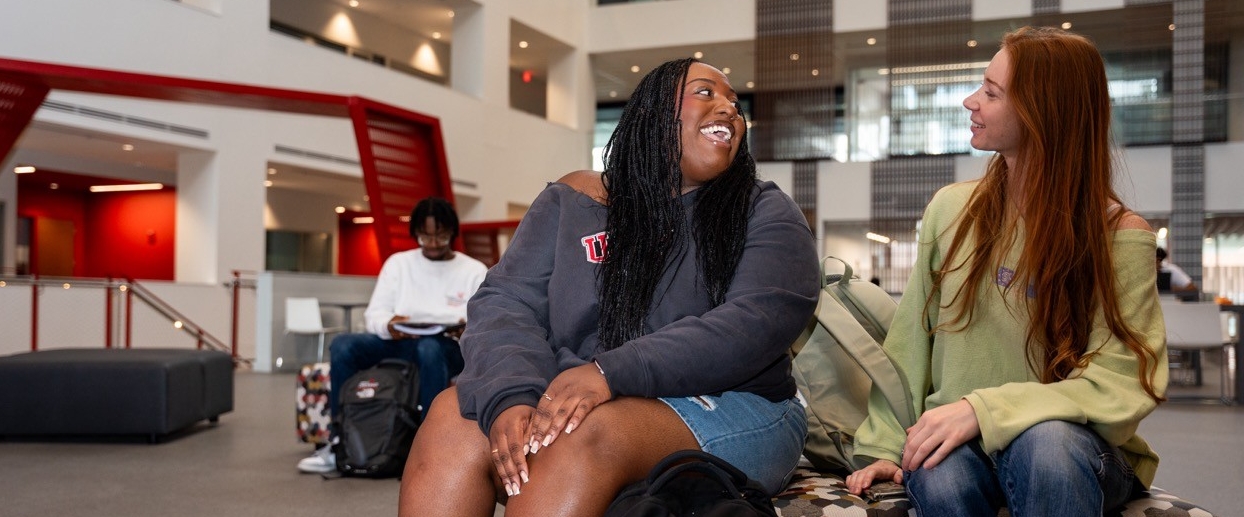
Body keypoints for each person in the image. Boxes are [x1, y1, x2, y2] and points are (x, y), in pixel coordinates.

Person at [397, 58, 819, 517]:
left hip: (737, 403)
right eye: (706, 92)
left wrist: (608, 373)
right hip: (586, 389)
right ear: (653, 112)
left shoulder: (765, 210)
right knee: (452, 418)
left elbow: (753, 323)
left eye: (735, 104)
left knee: (581, 431)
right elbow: (506, 302)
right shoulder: (572, 199)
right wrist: (511, 395)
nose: (729, 109)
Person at [844, 27, 1168, 516]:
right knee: (939, 472)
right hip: (960, 443)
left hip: (1073, 447)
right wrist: (885, 446)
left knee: (1046, 446)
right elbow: (910, 343)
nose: (970, 102)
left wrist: (984, 411)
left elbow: (1122, 382)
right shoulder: (950, 210)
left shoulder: (1118, 235)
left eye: (992, 93)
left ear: (1043, 113)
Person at [297, 196, 488, 474]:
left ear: (452, 233)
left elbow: (484, 321)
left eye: (441, 236)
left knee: (430, 348)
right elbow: (374, 314)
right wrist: (389, 326)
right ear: (415, 234)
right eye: (425, 236)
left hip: (446, 347)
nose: (433, 244)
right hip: (400, 342)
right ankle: (339, 440)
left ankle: (428, 446)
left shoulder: (473, 271)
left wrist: (466, 327)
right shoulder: (398, 264)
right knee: (343, 345)